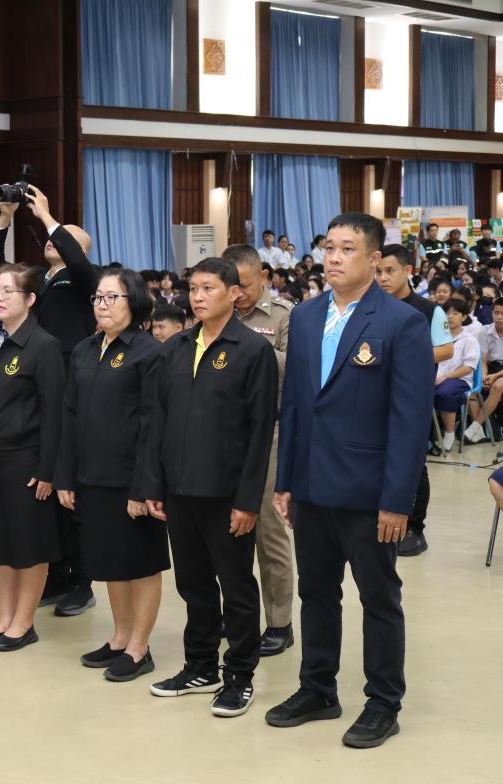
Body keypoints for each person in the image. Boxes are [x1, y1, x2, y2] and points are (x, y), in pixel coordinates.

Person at [267, 213, 431, 749]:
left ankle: (383, 702)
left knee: (378, 598)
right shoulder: (307, 316)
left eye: (347, 249)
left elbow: (410, 421)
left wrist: (397, 501)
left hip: (368, 492)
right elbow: (295, 405)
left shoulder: (401, 322)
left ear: (374, 259)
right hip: (311, 486)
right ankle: (318, 689)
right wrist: (286, 481)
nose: (334, 258)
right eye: (329, 248)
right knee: (316, 593)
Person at [140, 256, 277, 718]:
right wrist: (154, 484)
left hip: (227, 494)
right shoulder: (176, 348)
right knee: (193, 584)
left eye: (208, 288)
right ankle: (201, 666)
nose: (197, 297)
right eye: (193, 289)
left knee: (236, 588)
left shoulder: (252, 350)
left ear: (234, 293)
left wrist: (247, 501)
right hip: (180, 491)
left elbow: (260, 431)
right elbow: (157, 422)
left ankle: (239, 675)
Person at [0, 185, 100, 617]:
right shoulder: (37, 278)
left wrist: (49, 218)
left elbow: (79, 262)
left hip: (68, 381)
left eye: (64, 238)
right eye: (51, 235)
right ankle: (57, 573)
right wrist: (6, 216)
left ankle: (82, 581)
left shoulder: (84, 278)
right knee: (44, 486)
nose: (52, 240)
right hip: (29, 381)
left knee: (69, 486)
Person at [57, 268, 166, 680]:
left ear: (133, 302)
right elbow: (69, 416)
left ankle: (140, 647)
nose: (102, 305)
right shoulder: (85, 350)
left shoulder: (148, 353)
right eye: (98, 298)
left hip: (131, 480)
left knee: (140, 563)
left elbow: (154, 425)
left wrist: (144, 487)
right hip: (92, 477)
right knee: (109, 562)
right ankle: (120, 638)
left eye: (112, 298)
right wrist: (65, 475)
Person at [0, 265, 64, 652]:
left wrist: (48, 470)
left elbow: (53, 413)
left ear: (30, 299)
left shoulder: (43, 346)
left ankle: (24, 622)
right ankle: (4, 618)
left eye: (9, 291)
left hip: (25, 462)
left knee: (28, 545)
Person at [222, 244, 297, 658]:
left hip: (270, 431)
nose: (238, 295)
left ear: (263, 277)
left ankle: (280, 622)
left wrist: (251, 346)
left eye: (245, 286)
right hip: (224, 433)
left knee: (268, 530)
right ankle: (237, 614)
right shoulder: (219, 312)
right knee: (227, 530)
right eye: (231, 287)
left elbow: (297, 367)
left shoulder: (284, 316)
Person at [374, 244, 454, 557]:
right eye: (378, 272)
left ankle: (415, 527)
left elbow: (446, 349)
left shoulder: (429, 309)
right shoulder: (370, 306)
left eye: (390, 271)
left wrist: (405, 356)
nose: (383, 278)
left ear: (408, 271)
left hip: (413, 398)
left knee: (414, 463)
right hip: (374, 396)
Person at [433, 299, 480, 453]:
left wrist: (446, 376)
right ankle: (428, 437)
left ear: (464, 317)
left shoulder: (469, 340)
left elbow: (469, 367)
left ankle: (449, 432)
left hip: (460, 379)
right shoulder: (436, 337)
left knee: (444, 393)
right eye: (447, 313)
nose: (450, 317)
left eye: (455, 313)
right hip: (436, 378)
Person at [468, 299, 503, 441]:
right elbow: (482, 360)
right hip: (490, 367)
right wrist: (483, 377)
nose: (499, 317)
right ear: (491, 313)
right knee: (473, 389)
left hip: (500, 372)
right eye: (496, 313)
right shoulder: (484, 331)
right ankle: (482, 432)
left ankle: (475, 427)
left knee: (497, 386)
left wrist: (494, 377)